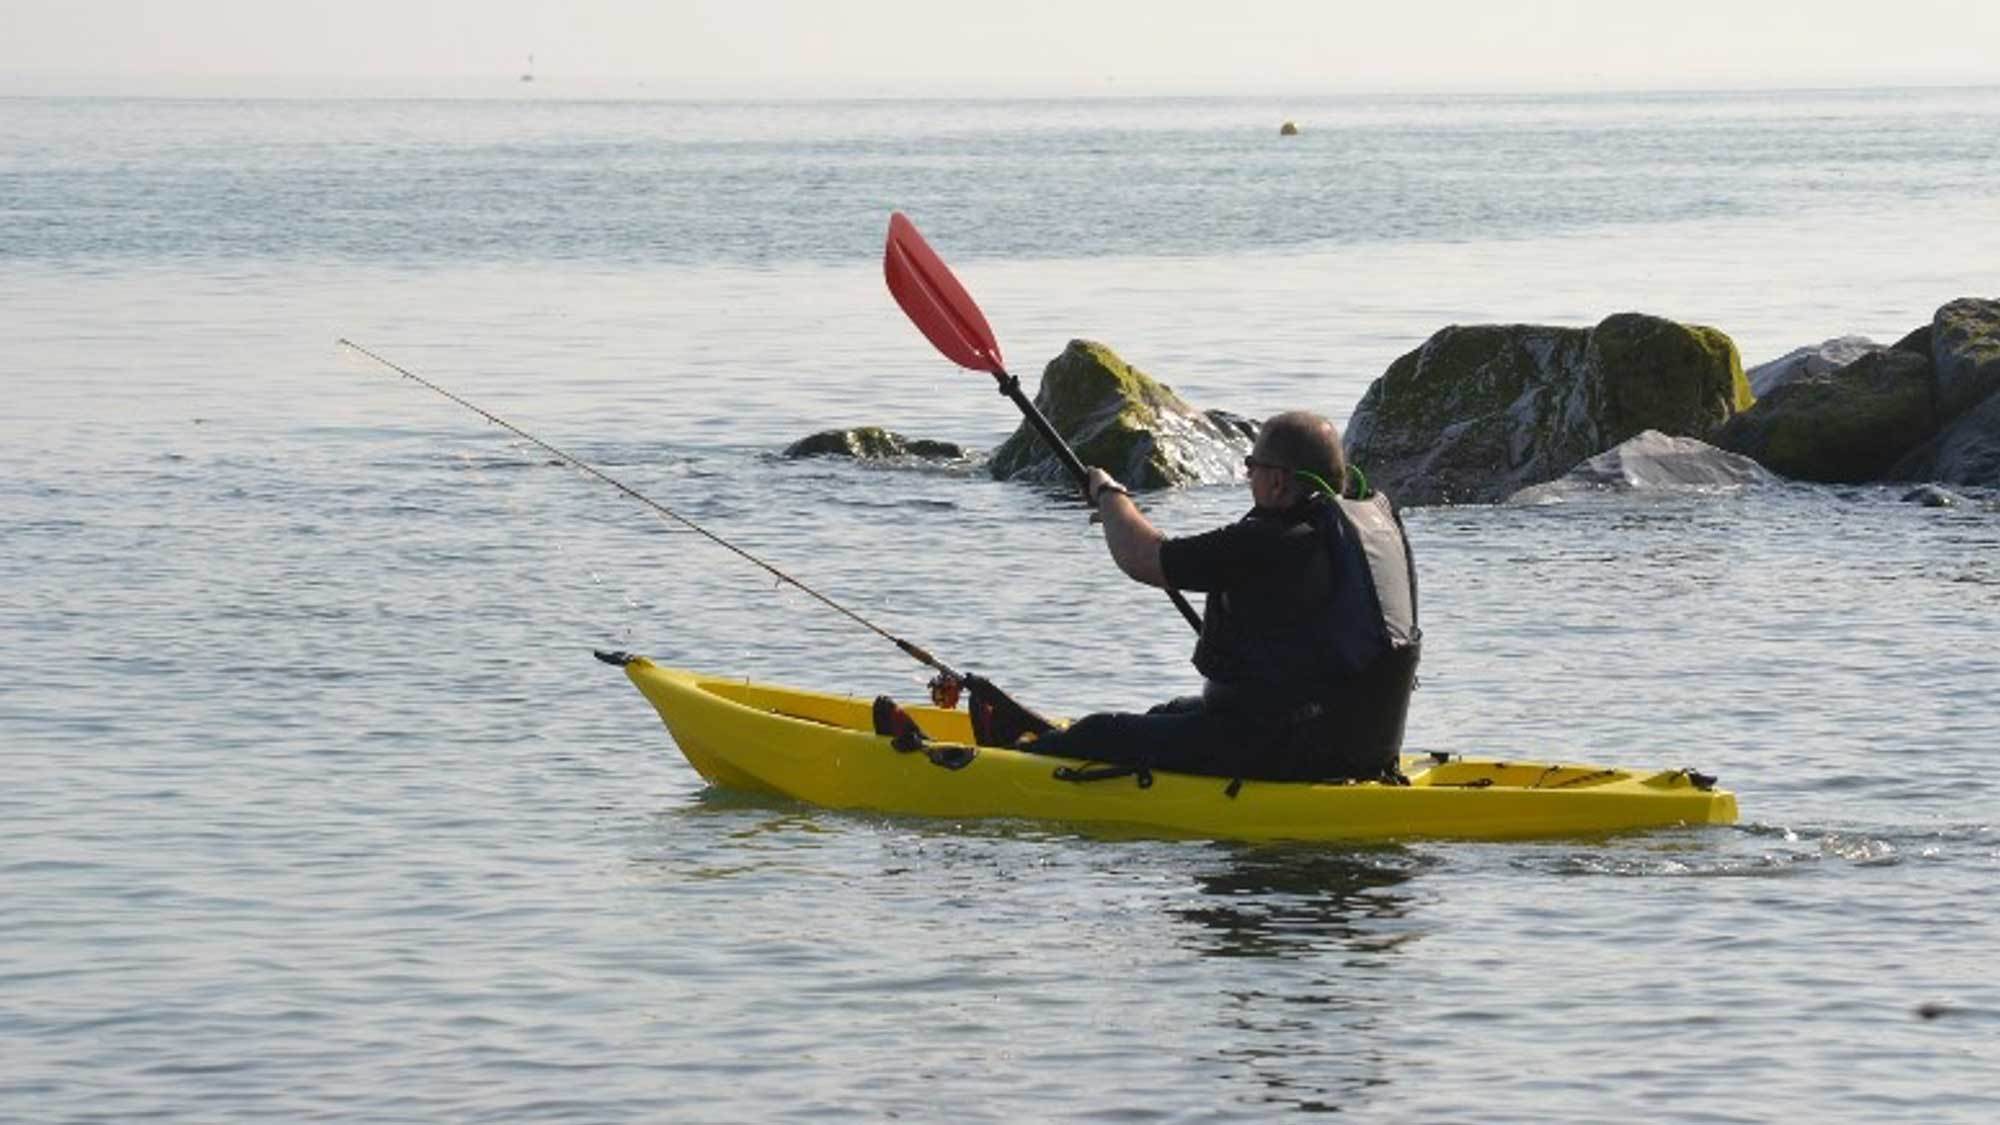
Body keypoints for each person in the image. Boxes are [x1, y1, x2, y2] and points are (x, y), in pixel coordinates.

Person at [1017, 410, 1422, 783]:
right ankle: (1037, 746)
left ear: (1278, 480)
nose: (1249, 477)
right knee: (1167, 713)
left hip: (1283, 751)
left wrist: (1108, 494)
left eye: (1252, 466)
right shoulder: (1360, 531)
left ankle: (1013, 764)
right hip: (1355, 743)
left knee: (1100, 732)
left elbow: (1143, 558)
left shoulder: (1271, 540)